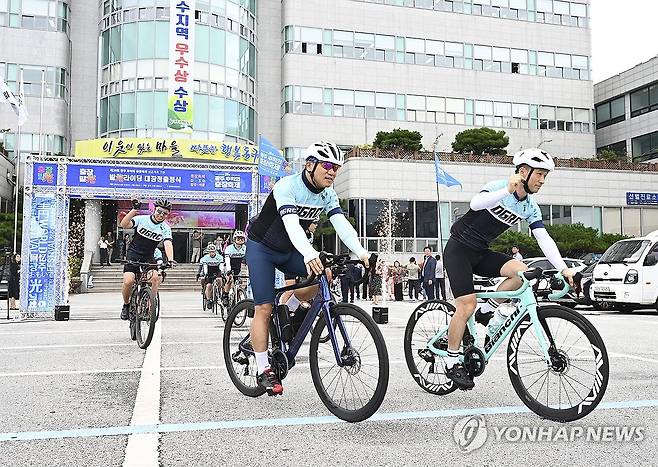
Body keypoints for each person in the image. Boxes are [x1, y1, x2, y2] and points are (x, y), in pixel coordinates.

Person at [443, 148, 575, 390]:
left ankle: (486, 311)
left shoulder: (530, 207)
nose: (542, 180)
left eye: (545, 176)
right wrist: (506, 189)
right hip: (458, 250)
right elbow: (475, 203)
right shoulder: (499, 186)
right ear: (523, 172)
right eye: (540, 174)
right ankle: (451, 362)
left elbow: (544, 239)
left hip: (481, 253)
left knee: (522, 272)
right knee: (465, 305)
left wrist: (564, 268)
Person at [246, 140, 370, 396]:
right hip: (262, 248)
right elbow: (291, 225)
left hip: (290, 249)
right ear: (309, 165)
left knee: (320, 277)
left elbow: (341, 224)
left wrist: (360, 251)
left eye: (336, 168)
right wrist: (310, 253)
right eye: (327, 166)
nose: (332, 172)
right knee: (264, 307)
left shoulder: (327, 194)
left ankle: (288, 314)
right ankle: (263, 368)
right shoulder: (286, 186)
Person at [119, 199, 175, 321]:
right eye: (159, 211)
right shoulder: (142, 219)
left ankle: (151, 304)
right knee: (128, 281)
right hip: (133, 254)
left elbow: (168, 243)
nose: (161, 215)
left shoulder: (165, 228)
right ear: (154, 209)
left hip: (149, 256)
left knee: (155, 278)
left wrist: (170, 259)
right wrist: (134, 210)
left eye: (165, 213)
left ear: (167, 215)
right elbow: (124, 225)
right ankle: (126, 305)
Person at [222, 229, 247, 305]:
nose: (240, 240)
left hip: (238, 268)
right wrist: (229, 271)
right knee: (229, 280)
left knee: (239, 284)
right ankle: (225, 296)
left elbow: (249, 260)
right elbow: (227, 260)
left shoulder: (245, 248)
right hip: (228, 266)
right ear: (234, 239)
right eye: (238, 238)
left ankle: (237, 298)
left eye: (242, 238)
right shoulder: (229, 248)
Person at [197, 244, 223, 309]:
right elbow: (204, 267)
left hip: (217, 270)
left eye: (213, 251)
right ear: (208, 252)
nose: (212, 253)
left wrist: (222, 273)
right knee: (209, 286)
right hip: (209, 271)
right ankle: (208, 300)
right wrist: (202, 274)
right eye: (210, 252)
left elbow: (221, 266)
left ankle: (219, 290)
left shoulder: (220, 257)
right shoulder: (205, 258)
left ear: (215, 251)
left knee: (219, 279)